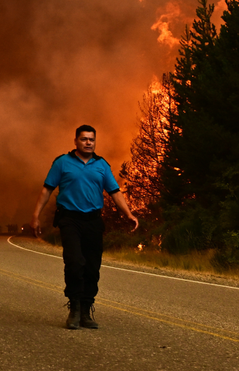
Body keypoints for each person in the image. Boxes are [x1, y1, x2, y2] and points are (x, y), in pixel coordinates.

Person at [33, 125, 138, 330]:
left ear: (95, 142)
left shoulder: (101, 165)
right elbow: (47, 190)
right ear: (75, 141)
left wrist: (128, 214)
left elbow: (115, 192)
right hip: (69, 219)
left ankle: (86, 309)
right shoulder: (62, 163)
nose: (88, 142)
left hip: (93, 221)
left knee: (92, 267)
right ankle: (74, 309)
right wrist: (35, 216)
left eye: (91, 139)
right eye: (84, 139)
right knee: (74, 262)